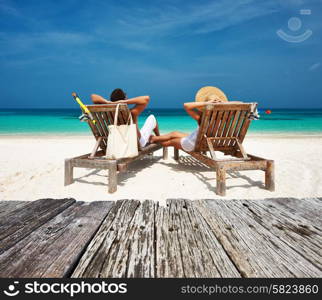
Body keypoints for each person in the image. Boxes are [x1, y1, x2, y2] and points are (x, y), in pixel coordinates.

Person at [150, 86, 241, 152]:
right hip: (210, 143)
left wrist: (207, 103)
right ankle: (153, 138)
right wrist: (223, 103)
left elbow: (186, 106)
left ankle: (152, 142)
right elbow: (240, 103)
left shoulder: (202, 118)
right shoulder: (225, 117)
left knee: (169, 142)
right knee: (175, 133)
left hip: (194, 144)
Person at [91, 89, 159, 148]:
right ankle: (158, 138)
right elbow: (146, 98)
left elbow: (93, 96)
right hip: (136, 143)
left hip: (117, 143)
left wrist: (108, 102)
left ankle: (153, 138)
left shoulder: (108, 113)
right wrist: (123, 102)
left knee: (145, 133)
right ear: (124, 99)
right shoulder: (131, 113)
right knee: (152, 118)